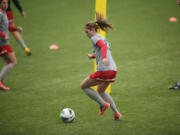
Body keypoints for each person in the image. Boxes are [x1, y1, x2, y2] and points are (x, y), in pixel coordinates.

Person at [80, 12, 122, 120]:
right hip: (113, 70)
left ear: (93, 30)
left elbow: (103, 48)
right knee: (101, 91)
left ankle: (103, 105)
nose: (86, 34)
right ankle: (116, 113)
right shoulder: (101, 37)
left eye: (87, 32)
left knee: (83, 86)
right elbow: (104, 49)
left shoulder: (94, 38)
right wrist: (93, 56)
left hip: (104, 70)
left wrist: (103, 58)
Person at [0, 0, 22, 90]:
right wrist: (4, 35)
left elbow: (7, 26)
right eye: (3, 3)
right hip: (2, 43)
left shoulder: (4, 13)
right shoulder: (0, 14)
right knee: (13, 62)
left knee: (7, 62)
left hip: (4, 43)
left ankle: (1, 81)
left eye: (7, 3)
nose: (6, 5)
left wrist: (16, 28)